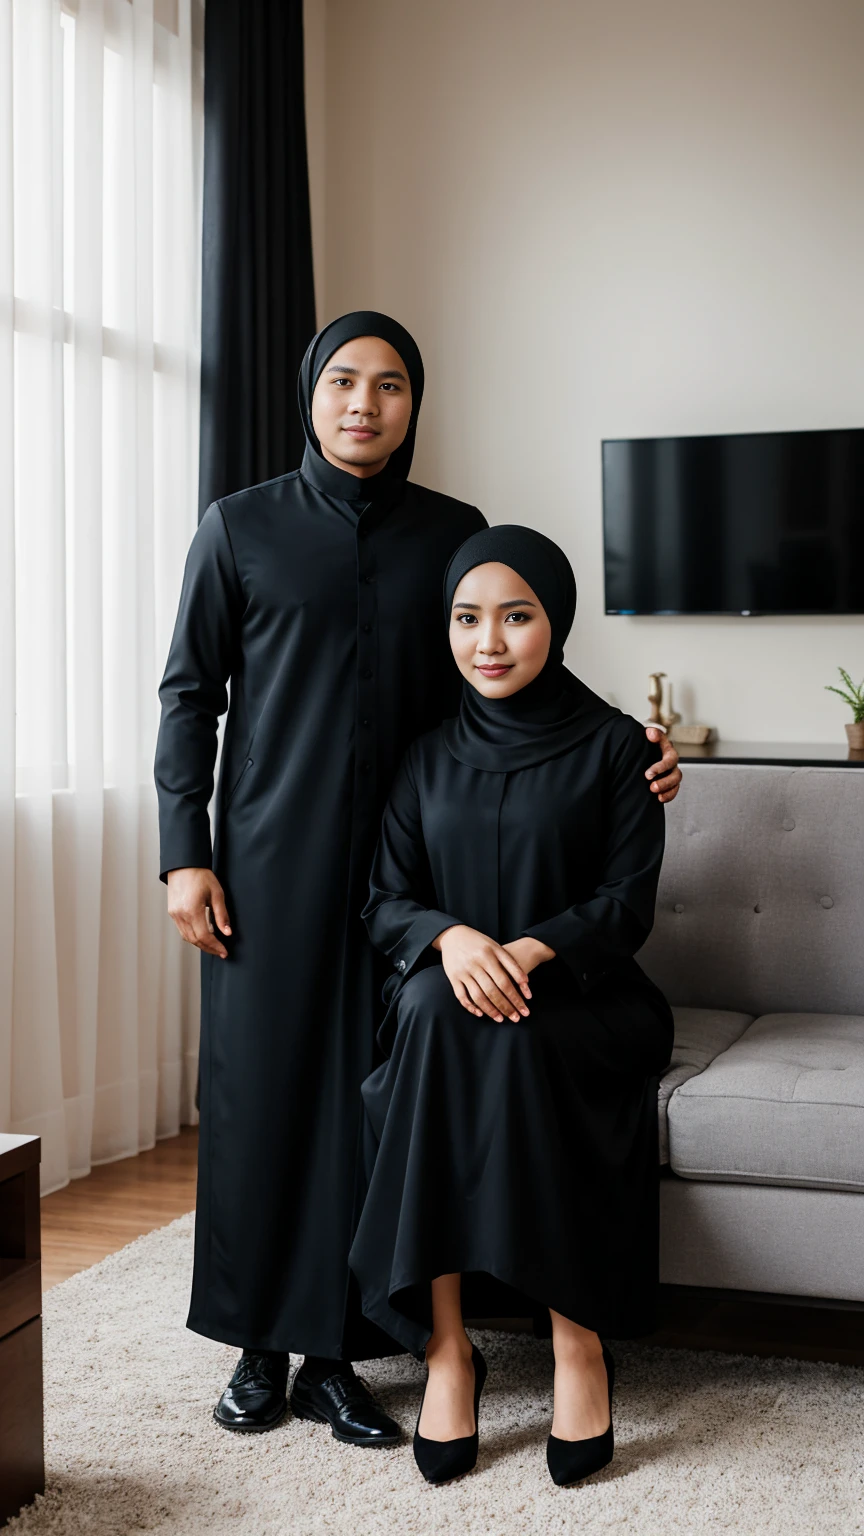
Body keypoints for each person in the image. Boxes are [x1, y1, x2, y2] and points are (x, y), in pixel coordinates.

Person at [155, 314, 682, 1446]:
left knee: (369, 1096)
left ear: (413, 405)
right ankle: (258, 1348)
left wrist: (640, 752)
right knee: (260, 1095)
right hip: (266, 860)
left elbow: (504, 656)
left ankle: (343, 1352)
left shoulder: (453, 531)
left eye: (389, 386)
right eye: (344, 381)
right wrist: (182, 852)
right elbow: (188, 694)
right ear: (311, 392)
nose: (364, 404)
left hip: (421, 873)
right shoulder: (237, 528)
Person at [349, 525, 674, 1486]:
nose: (489, 640)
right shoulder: (424, 757)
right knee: (438, 1021)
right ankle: (448, 1349)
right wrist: (452, 940)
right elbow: (386, 899)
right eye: (467, 618)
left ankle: (578, 1342)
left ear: (556, 623)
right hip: (450, 991)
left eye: (516, 616)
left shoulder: (621, 747)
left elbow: (627, 902)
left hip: (589, 995)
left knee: (516, 1037)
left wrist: (530, 952)